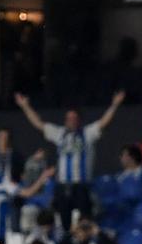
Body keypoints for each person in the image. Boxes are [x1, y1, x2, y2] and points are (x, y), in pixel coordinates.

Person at [13, 89, 126, 223]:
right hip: (63, 186)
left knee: (84, 220)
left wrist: (115, 105)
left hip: (81, 186)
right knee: (64, 221)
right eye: (69, 118)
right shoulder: (59, 134)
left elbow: (103, 122)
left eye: (74, 118)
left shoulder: (87, 134)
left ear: (79, 120)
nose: (71, 121)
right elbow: (39, 124)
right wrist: (25, 106)